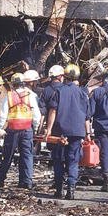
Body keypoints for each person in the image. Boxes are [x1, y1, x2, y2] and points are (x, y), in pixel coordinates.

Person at [44, 64, 91, 200]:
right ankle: (71, 189)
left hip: (60, 131)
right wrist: (87, 134)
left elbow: (53, 111)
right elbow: (86, 116)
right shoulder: (82, 93)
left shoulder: (59, 91)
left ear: (64, 76)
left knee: (58, 160)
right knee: (73, 161)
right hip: (77, 131)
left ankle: (59, 190)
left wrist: (48, 130)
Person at [0, 72, 41, 190]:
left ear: (13, 84)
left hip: (13, 129)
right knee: (27, 155)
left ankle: (0, 179)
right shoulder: (30, 95)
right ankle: (26, 181)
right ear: (23, 83)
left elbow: (3, 115)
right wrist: (34, 127)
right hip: (26, 129)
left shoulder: (9, 96)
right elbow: (36, 115)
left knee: (7, 155)